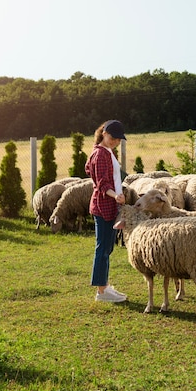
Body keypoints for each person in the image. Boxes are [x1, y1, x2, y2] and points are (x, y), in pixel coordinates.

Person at [85, 120, 128, 302]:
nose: (115, 142)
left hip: (109, 205)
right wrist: (115, 195)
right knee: (102, 248)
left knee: (107, 248)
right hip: (103, 206)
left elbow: (89, 170)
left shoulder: (106, 152)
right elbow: (101, 181)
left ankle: (105, 286)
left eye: (118, 140)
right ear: (104, 134)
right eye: (112, 138)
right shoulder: (100, 154)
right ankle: (101, 291)